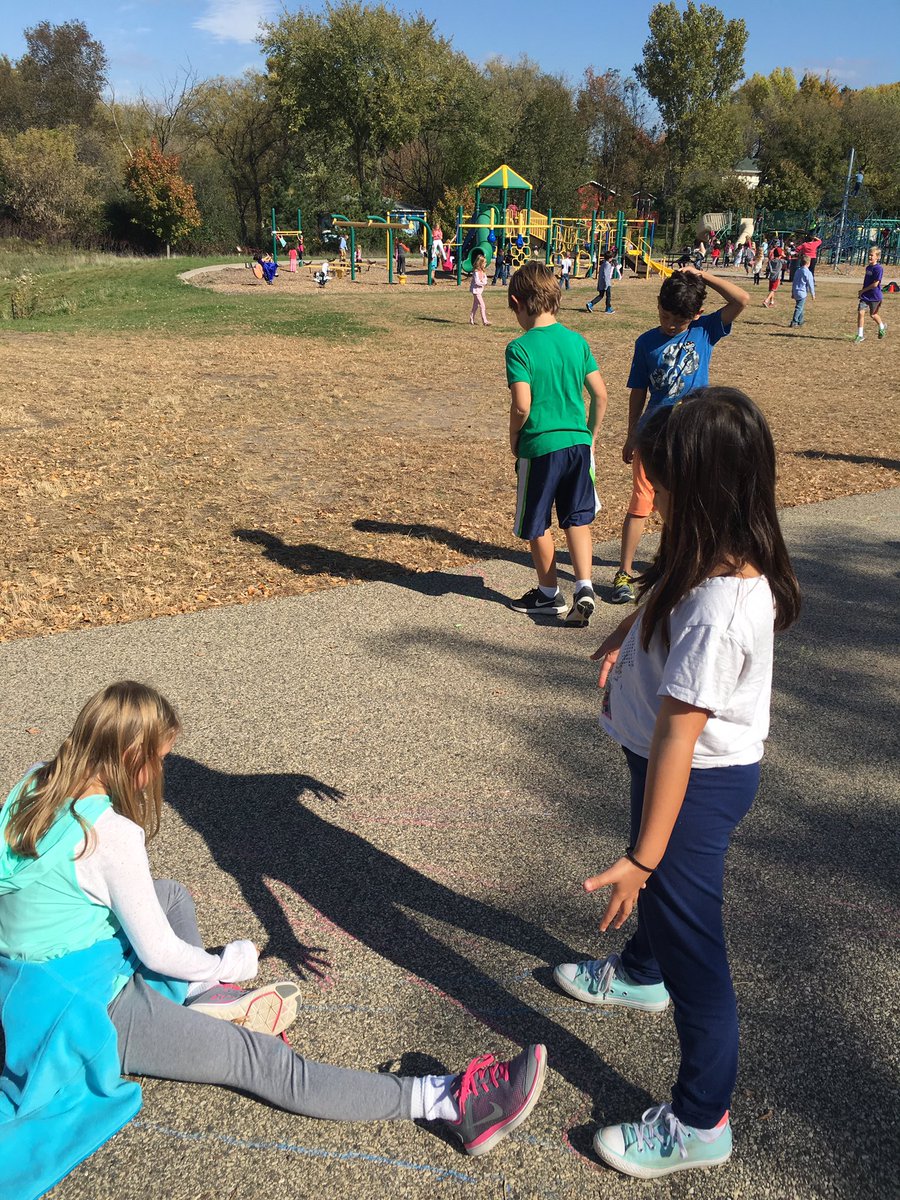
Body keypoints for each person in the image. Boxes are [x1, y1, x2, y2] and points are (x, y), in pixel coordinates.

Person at [0, 682, 548, 1198]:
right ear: (133, 758)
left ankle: (205, 1006)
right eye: (161, 760)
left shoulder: (36, 783)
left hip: (26, 975)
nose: (159, 772)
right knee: (259, 1059)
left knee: (170, 895)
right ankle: (448, 1102)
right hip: (80, 1006)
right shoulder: (111, 835)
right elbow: (157, 954)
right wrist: (224, 962)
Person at [553, 388, 801, 1179]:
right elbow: (669, 587)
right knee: (660, 909)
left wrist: (645, 856)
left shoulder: (725, 609)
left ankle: (701, 1124)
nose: (650, 499)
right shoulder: (709, 553)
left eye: (663, 485)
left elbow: (677, 737)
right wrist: (629, 631)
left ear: (707, 492)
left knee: (699, 956)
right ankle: (637, 974)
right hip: (671, 776)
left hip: (693, 787)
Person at [610, 266, 749, 605]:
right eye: (665, 315)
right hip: (653, 433)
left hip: (694, 431)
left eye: (678, 320)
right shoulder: (646, 342)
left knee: (689, 501)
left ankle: (680, 565)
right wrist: (632, 435)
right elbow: (638, 391)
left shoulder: (706, 330)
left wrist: (703, 276)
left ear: (696, 315)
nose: (670, 324)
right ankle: (624, 572)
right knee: (642, 501)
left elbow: (742, 299)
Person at [505, 262, 609, 625]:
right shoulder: (576, 341)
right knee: (577, 519)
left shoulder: (520, 348)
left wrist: (515, 437)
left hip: (541, 446)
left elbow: (522, 404)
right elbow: (600, 394)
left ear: (517, 302)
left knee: (538, 523)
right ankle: (584, 586)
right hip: (578, 445)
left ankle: (549, 593)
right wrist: (590, 436)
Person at [855, 246, 887, 342]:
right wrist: (863, 292)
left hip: (875, 296)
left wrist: (863, 290)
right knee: (861, 312)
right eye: (869, 255)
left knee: (873, 315)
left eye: (871, 255)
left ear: (877, 257)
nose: (869, 257)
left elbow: (875, 284)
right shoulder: (868, 267)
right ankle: (860, 335)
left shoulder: (878, 269)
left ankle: (881, 326)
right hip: (865, 296)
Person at [789, 253, 815, 327]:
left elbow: (794, 282)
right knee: (799, 307)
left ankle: (800, 320)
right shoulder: (808, 272)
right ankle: (794, 321)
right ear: (808, 263)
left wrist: (793, 292)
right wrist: (813, 294)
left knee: (800, 306)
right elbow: (810, 284)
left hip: (796, 291)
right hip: (802, 292)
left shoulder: (798, 271)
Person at [586, 250, 616, 314]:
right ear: (610, 258)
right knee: (608, 296)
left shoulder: (603, 263)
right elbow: (606, 275)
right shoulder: (607, 265)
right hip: (606, 283)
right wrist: (607, 284)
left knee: (601, 295)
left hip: (601, 282)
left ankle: (590, 304)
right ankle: (608, 308)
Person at [468, 251, 490, 325]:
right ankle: (485, 321)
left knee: (475, 305)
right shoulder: (476, 272)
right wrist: (483, 283)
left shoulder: (483, 272)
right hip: (476, 291)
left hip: (480, 290)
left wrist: (483, 282)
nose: (485, 265)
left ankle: (471, 318)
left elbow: (485, 280)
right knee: (482, 305)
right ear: (480, 263)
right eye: (484, 263)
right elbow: (477, 282)